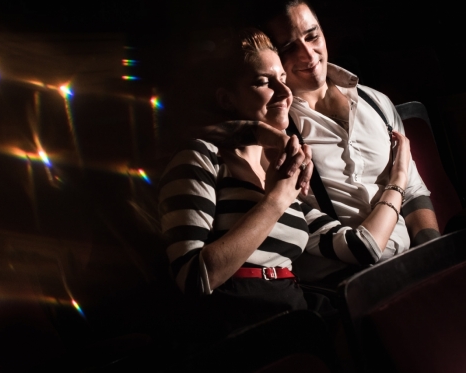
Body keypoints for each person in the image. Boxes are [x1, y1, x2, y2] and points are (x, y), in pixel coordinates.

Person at [158, 28, 414, 333]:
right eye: (264, 82)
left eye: (283, 78)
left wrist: (398, 179)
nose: (284, 92)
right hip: (239, 324)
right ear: (227, 99)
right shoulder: (203, 157)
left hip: (294, 311)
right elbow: (192, 278)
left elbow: (363, 248)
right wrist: (277, 198)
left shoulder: (283, 173)